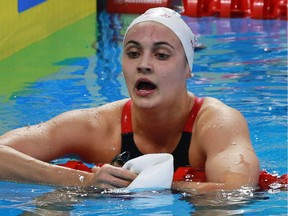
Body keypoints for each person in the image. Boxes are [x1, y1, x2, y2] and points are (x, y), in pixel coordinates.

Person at [0, 7, 259, 193]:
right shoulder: (96, 126)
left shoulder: (217, 123)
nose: (144, 65)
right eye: (133, 53)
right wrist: (82, 182)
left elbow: (234, 193)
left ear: (187, 68)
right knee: (56, 200)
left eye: (161, 55)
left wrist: (151, 183)